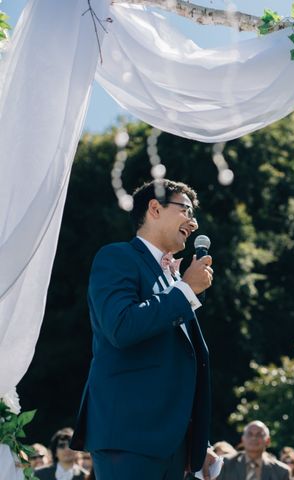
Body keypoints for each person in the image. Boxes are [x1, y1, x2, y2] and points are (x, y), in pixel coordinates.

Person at [70, 179, 216, 479]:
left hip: (172, 444)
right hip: (129, 436)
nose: (194, 222)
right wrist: (186, 290)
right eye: (186, 210)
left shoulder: (174, 281)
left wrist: (198, 440)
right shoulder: (117, 257)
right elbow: (120, 326)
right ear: (154, 208)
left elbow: (179, 365)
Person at [216, 421, 290, 480]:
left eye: (259, 434)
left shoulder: (281, 472)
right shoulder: (224, 464)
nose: (254, 438)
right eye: (249, 434)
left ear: (268, 441)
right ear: (242, 439)